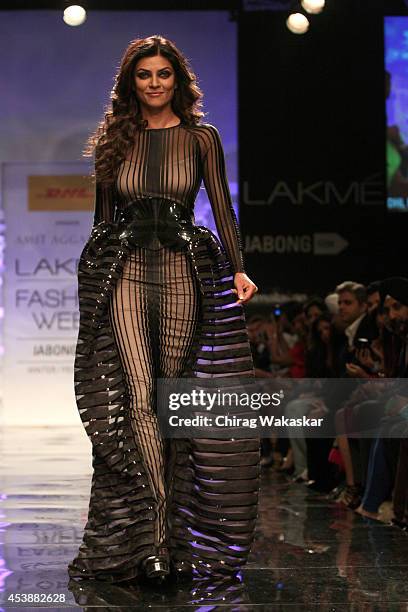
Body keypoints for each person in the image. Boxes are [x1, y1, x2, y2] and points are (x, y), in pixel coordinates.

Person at [68, 35, 258, 585]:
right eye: (144, 75)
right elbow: (102, 224)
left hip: (182, 272)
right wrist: (93, 285)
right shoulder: (115, 140)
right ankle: (152, 542)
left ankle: (174, 536)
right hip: (124, 272)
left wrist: (239, 267)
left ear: (178, 80)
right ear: (131, 82)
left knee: (170, 399)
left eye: (163, 74)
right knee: (136, 398)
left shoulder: (201, 138)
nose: (154, 83)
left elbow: (221, 204)